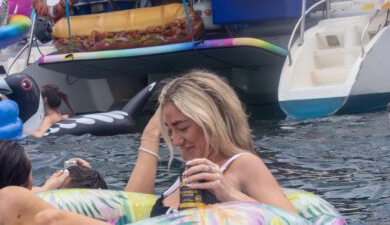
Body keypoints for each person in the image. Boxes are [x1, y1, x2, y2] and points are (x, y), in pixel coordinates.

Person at [0, 70, 295, 224]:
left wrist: (228, 193)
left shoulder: (241, 165)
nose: (176, 140)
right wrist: (151, 136)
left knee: (35, 211)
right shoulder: (189, 173)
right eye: (170, 130)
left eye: (182, 128)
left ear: (211, 120)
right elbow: (132, 202)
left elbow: (296, 222)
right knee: (16, 201)